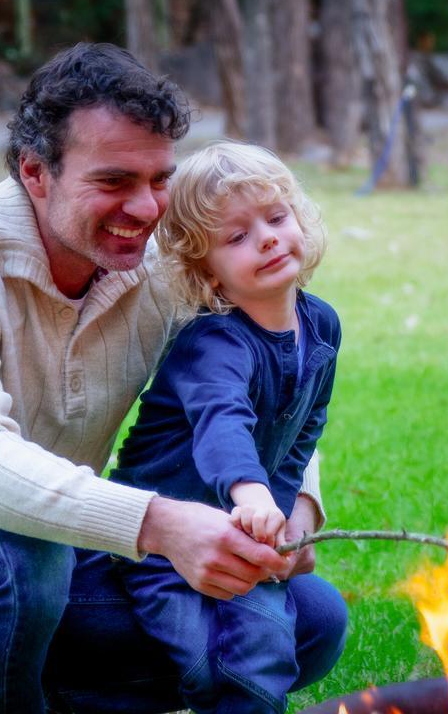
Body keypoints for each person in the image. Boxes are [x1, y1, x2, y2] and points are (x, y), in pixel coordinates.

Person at [0, 43, 346, 713]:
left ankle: (74, 695)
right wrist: (161, 524)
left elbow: (262, 381)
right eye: (115, 181)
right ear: (35, 172)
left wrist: (293, 508)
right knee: (16, 557)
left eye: (158, 180)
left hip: (64, 554)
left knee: (307, 617)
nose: (147, 209)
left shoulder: (157, 268)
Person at [93, 141, 340, 714]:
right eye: (238, 237)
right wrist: (248, 491)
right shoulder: (214, 343)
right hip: (163, 541)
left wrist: (277, 514)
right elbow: (220, 421)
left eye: (276, 218)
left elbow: (305, 428)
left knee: (261, 644)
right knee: (208, 661)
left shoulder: (321, 324)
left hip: (240, 528)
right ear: (207, 272)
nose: (269, 238)